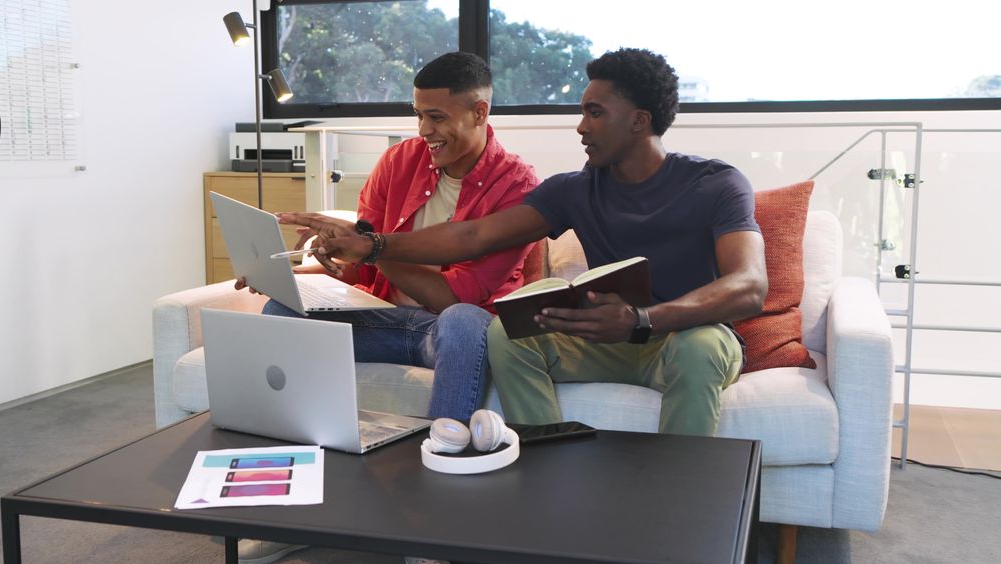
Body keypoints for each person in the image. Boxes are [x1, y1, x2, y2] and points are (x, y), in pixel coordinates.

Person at [282, 47, 768, 439]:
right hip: (610, 341)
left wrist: (643, 318)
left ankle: (681, 519)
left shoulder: (715, 183)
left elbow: (749, 285)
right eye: (582, 111)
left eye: (594, 113)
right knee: (505, 337)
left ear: (639, 121)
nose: (581, 126)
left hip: (688, 337)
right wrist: (375, 246)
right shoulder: (574, 189)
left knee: (697, 350)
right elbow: (472, 236)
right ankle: (549, 482)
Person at [234, 51, 538, 564]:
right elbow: (358, 271)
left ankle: (432, 530)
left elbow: (459, 298)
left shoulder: (518, 186)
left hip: (453, 327)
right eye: (418, 114)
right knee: (282, 315)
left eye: (436, 117)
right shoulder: (400, 162)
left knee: (465, 322)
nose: (424, 130)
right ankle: (287, 514)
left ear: (480, 113)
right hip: (387, 319)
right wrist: (309, 262)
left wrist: (371, 248)